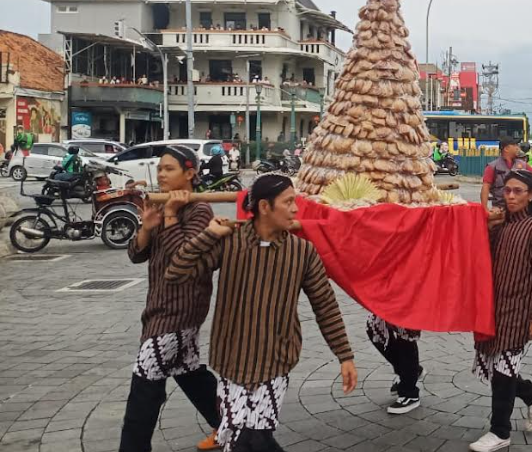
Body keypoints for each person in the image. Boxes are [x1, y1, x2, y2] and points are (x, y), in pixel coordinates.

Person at [167, 174, 358, 450]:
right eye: (288, 202)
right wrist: (208, 235)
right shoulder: (229, 242)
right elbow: (175, 273)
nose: (295, 209)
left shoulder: (302, 252)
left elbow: (325, 306)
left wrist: (345, 355)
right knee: (242, 441)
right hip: (232, 360)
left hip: (275, 361)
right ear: (265, 207)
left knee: (254, 438)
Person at [120, 146, 221, 452]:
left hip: (180, 311)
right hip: (158, 307)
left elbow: (183, 259)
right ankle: (234, 426)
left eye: (169, 169)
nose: (161, 174)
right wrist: (147, 229)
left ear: (189, 174)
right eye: (160, 168)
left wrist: (172, 216)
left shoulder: (200, 210)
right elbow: (136, 255)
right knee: (189, 372)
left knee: (145, 382)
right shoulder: (162, 206)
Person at [470, 169, 532, 452]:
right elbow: (483, 257)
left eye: (517, 191)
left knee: (504, 372)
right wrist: (490, 227)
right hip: (494, 308)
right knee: (499, 370)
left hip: (520, 311)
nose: (510, 196)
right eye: (506, 190)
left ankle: (500, 430)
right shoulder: (503, 224)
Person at [481, 137, 532, 209]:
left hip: (519, 208)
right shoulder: (492, 166)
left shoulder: (522, 164)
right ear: (506, 148)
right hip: (500, 208)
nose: (518, 148)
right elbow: (485, 188)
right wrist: (485, 209)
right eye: (515, 145)